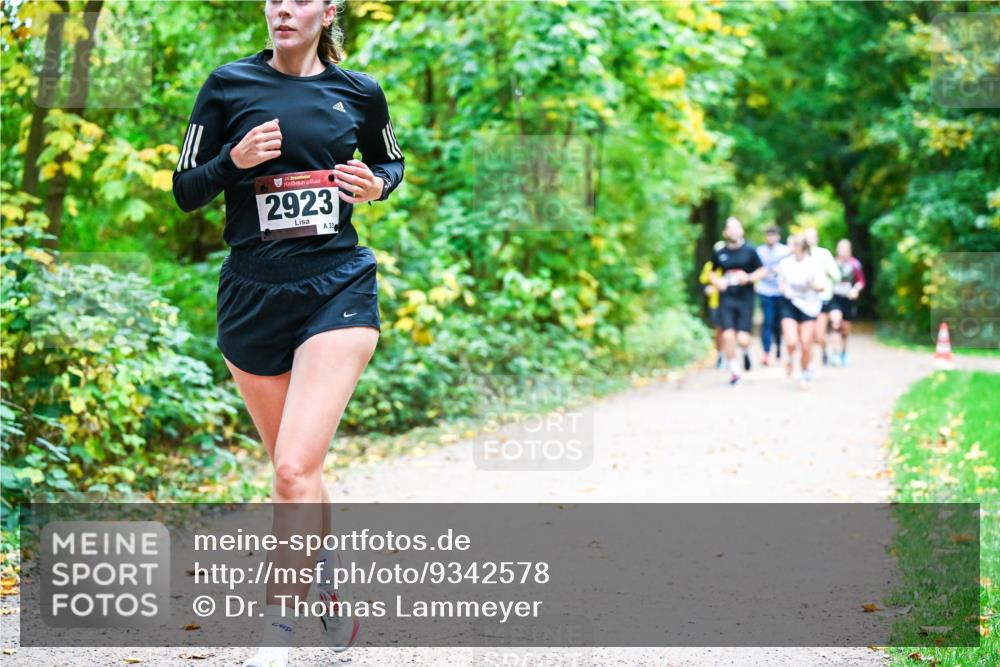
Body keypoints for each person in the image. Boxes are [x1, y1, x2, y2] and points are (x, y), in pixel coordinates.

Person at [172, 1, 404, 665]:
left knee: (293, 467)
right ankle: (328, 590)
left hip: (338, 286)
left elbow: (392, 163)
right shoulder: (227, 85)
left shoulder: (358, 92)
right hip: (252, 297)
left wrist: (375, 185)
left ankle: (276, 632)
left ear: (326, 11)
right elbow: (186, 189)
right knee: (295, 474)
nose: (280, 8)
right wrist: (233, 159)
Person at [710, 217, 767, 385]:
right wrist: (717, 281)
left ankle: (746, 350)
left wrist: (748, 278)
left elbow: (762, 270)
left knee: (742, 338)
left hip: (745, 298)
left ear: (741, 231)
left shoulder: (750, 250)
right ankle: (735, 372)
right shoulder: (720, 252)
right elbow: (712, 272)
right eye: (730, 228)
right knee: (727, 336)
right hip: (727, 298)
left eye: (737, 227)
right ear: (725, 232)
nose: (734, 231)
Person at [776, 234, 827, 385]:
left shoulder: (814, 264)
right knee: (791, 342)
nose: (790, 248)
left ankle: (805, 372)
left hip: (809, 307)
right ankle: (791, 358)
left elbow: (821, 286)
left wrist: (811, 285)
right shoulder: (785, 263)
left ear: (802, 247)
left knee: (806, 343)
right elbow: (781, 283)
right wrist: (784, 289)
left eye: (793, 245)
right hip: (790, 304)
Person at [803, 227, 840, 367]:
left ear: (816, 239)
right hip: (804, 300)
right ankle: (808, 363)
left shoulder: (824, 254)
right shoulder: (800, 256)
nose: (809, 240)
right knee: (807, 335)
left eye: (811, 237)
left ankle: (824, 349)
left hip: (822, 298)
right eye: (806, 237)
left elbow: (837, 275)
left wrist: (825, 273)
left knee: (819, 334)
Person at [755, 225, 789, 367]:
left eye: (773, 235)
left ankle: (779, 348)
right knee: (767, 321)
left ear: (778, 236)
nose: (771, 238)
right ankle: (766, 352)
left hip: (780, 292)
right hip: (765, 291)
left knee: (778, 322)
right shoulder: (759, 251)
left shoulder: (785, 251)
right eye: (768, 235)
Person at [829, 239, 865, 366]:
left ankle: (843, 351)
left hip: (848, 300)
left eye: (845, 249)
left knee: (845, 329)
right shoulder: (831, 263)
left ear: (850, 250)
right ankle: (835, 353)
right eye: (841, 249)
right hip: (834, 298)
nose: (843, 251)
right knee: (835, 323)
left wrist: (855, 289)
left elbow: (861, 281)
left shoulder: (855, 264)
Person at [699, 247, 724, 368]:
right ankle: (720, 355)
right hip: (715, 303)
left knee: (730, 332)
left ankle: (730, 355)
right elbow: (702, 284)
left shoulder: (732, 263)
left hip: (731, 303)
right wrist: (707, 289)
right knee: (718, 330)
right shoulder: (709, 266)